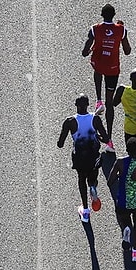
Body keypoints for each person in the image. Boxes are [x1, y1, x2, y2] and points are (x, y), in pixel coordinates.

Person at [82, 3, 131, 152]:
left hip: (100, 64)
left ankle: (98, 101)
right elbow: (128, 51)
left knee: (97, 70)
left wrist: (91, 49)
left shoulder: (95, 29)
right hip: (113, 69)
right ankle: (109, 141)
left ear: (102, 15)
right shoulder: (121, 30)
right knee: (111, 103)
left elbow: (84, 52)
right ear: (114, 15)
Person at [57, 94, 109, 222]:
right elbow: (106, 139)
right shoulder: (95, 119)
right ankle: (93, 187)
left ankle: (85, 210)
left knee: (81, 180)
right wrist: (96, 136)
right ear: (88, 105)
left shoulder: (70, 121)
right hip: (94, 156)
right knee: (92, 177)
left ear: (76, 105)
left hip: (79, 158)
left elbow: (60, 144)